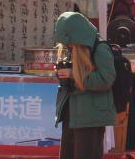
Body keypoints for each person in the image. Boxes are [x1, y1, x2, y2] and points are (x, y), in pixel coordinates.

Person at [53, 11, 116, 159]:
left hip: (91, 115)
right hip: (72, 113)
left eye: (69, 43)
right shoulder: (72, 48)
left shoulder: (100, 48)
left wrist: (73, 75)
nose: (68, 46)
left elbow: (106, 79)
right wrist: (62, 73)